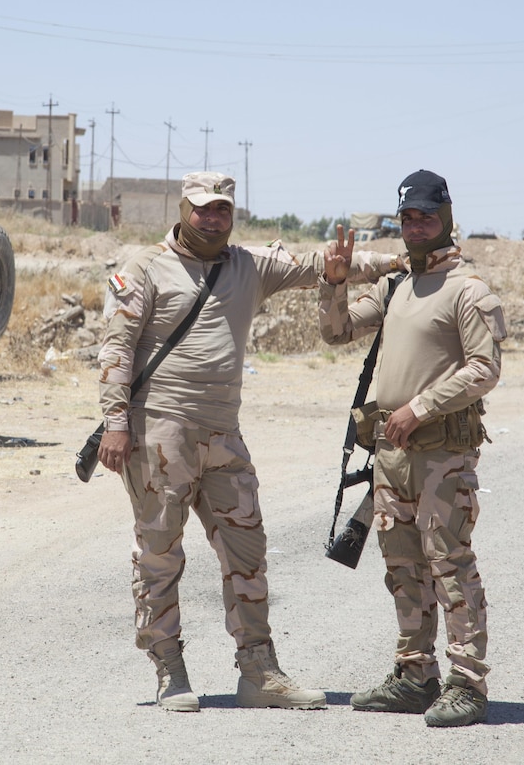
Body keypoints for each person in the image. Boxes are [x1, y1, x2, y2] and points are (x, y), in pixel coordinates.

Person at [97, 171, 402, 712]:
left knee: (248, 551)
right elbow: (116, 348)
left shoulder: (248, 264)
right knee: (160, 553)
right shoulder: (144, 267)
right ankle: (170, 671)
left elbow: (324, 268)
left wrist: (398, 261)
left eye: (222, 210)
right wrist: (116, 422)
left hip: (224, 435)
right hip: (159, 432)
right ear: (183, 209)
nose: (212, 218)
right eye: (202, 209)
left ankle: (259, 672)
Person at [318, 169, 506, 728]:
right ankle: (414, 674)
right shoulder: (397, 283)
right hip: (392, 453)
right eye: (407, 217)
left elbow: (485, 369)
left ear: (445, 217)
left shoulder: (467, 289)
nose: (416, 225)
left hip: (441, 453)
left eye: (426, 215)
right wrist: (333, 283)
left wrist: (419, 407)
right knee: (402, 566)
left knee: (449, 565)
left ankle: (467, 684)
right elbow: (336, 332)